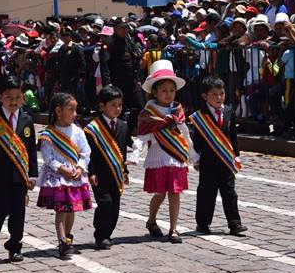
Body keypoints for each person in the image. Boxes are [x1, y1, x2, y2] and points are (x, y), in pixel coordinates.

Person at [136, 60, 195, 243]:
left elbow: (185, 133)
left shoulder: (178, 111)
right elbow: (143, 136)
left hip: (176, 156)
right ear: (154, 92)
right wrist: (134, 154)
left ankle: (174, 229)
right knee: (160, 194)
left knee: (175, 193)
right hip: (159, 156)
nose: (168, 94)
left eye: (172, 90)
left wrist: (194, 156)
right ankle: (152, 219)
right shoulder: (149, 112)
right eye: (164, 90)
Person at [0, 77, 38, 263]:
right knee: (1, 208)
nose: (13, 101)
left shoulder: (27, 119)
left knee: (18, 212)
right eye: (8, 97)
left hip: (20, 175)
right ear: (0, 97)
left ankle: (14, 246)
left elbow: (30, 150)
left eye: (18, 97)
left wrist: (32, 174)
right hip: (0, 175)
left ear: (23, 98)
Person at [187, 76, 245, 235]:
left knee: (230, 192)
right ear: (205, 96)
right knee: (206, 193)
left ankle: (235, 223)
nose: (219, 98)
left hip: (226, 160)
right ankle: (203, 223)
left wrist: (237, 155)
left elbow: (233, 136)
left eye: (222, 94)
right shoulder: (199, 116)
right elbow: (196, 141)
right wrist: (196, 158)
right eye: (214, 94)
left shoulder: (228, 111)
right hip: (208, 161)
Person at [37, 92, 92, 259]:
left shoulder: (78, 131)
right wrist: (61, 169)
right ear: (59, 111)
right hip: (58, 177)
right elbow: (47, 157)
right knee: (61, 208)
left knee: (71, 208)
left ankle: (68, 236)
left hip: (75, 175)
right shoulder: (49, 133)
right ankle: (62, 241)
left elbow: (85, 151)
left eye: (75, 110)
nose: (75, 114)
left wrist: (81, 168)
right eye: (71, 109)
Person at [83, 85, 134, 250]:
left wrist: (125, 171)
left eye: (120, 104)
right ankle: (101, 235)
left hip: (116, 173)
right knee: (105, 203)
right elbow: (87, 154)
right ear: (102, 106)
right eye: (113, 105)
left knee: (115, 206)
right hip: (99, 174)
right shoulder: (92, 128)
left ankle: (108, 233)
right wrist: (91, 172)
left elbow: (123, 152)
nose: (117, 108)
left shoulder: (123, 125)